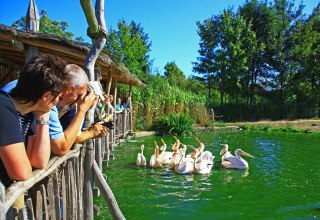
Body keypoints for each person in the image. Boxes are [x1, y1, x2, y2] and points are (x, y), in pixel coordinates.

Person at [0, 54, 66, 188]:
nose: (58, 103)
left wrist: (44, 117)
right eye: (58, 97)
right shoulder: (3, 108)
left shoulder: (28, 113)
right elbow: (21, 172)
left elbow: (39, 162)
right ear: (46, 96)